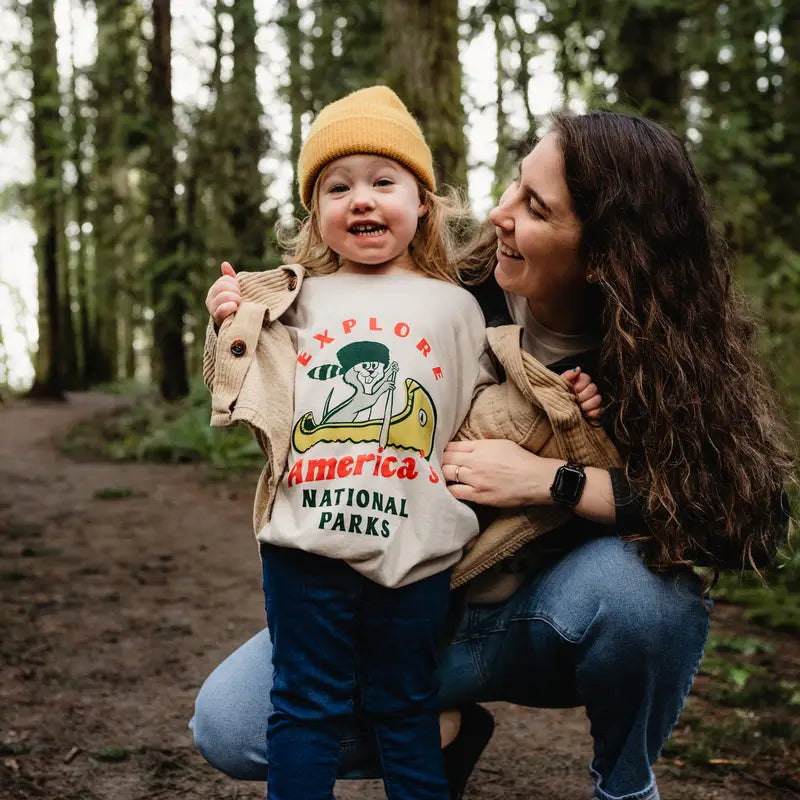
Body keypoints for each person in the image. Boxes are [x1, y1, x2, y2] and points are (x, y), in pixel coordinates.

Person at [193, 108, 792, 800]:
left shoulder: (655, 355)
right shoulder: (458, 289)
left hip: (545, 619)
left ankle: (625, 784)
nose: (500, 214)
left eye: (535, 207)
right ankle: (441, 729)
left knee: (651, 599)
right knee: (232, 724)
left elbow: (748, 518)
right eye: (515, 185)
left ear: (603, 253)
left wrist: (555, 482)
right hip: (415, 602)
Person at [200, 86, 609, 800]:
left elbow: (506, 402)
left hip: (418, 553)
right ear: (314, 211)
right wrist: (227, 318)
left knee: (405, 707)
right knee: (304, 708)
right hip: (304, 546)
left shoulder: (455, 304)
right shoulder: (295, 298)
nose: (361, 200)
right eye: (337, 187)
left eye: (383, 182)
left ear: (423, 202)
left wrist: (573, 403)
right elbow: (232, 382)